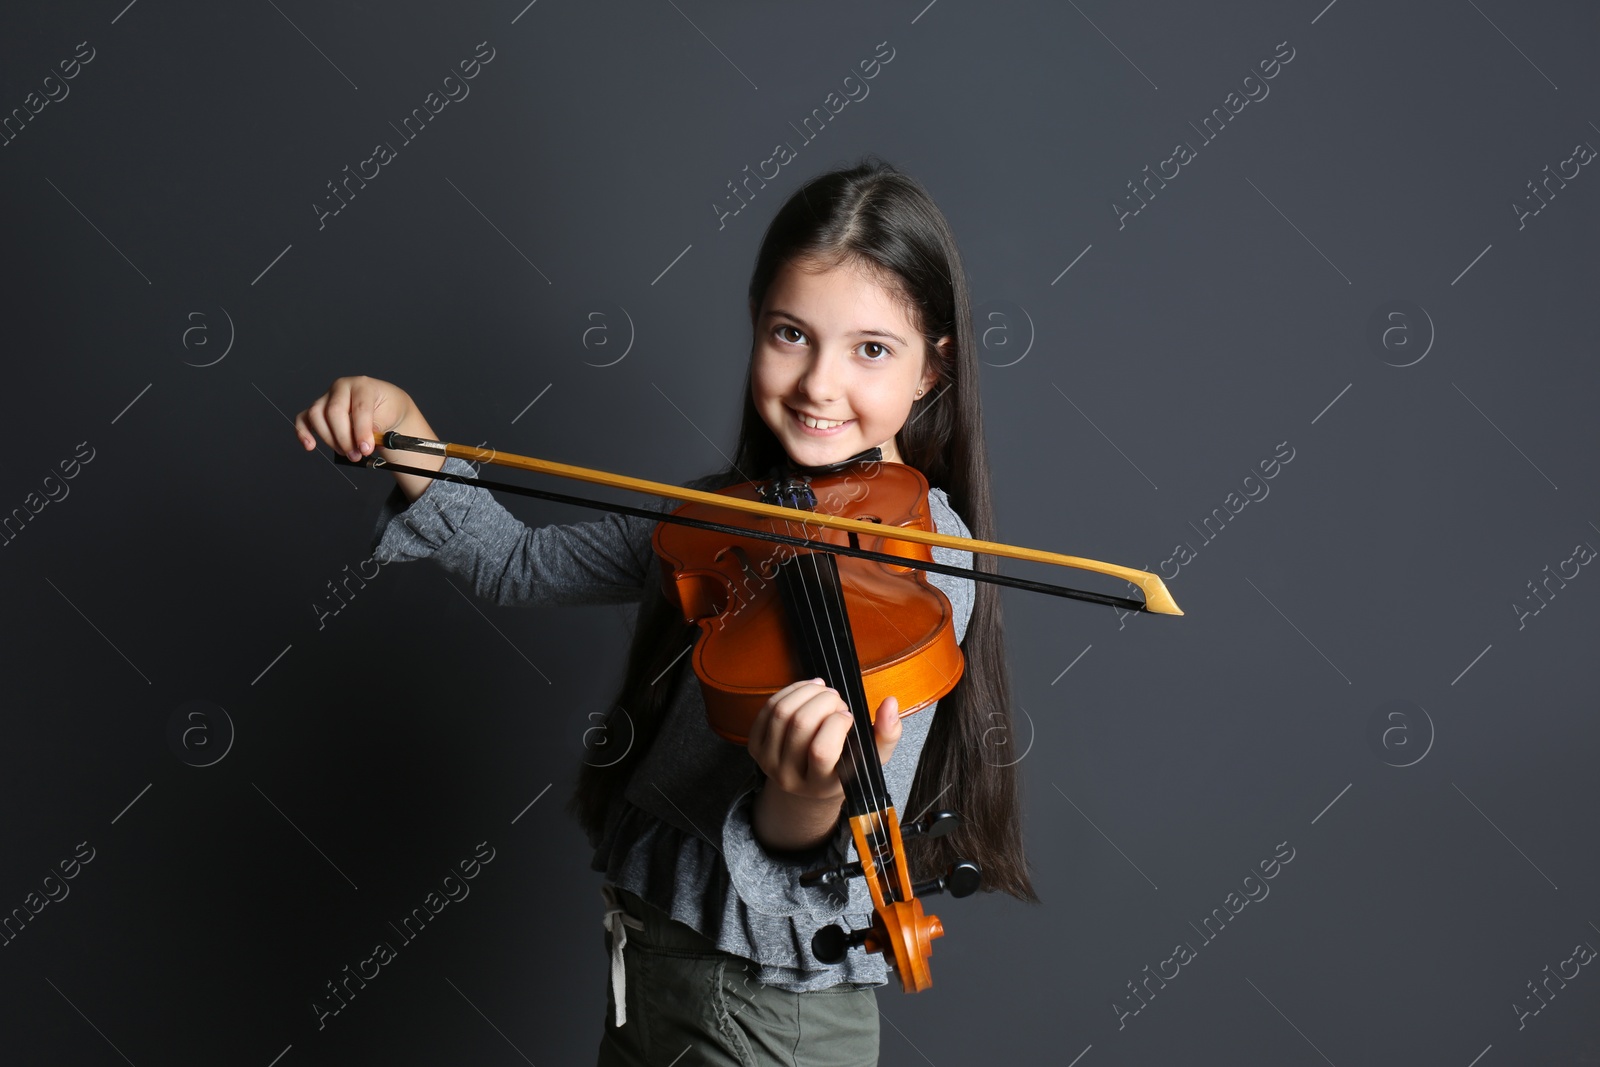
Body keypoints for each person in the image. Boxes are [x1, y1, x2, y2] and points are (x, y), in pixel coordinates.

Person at [293, 157, 1037, 1066]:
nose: (818, 384)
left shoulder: (927, 561)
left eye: (871, 348)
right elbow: (520, 561)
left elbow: (826, 850)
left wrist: (804, 796)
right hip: (647, 971)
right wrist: (411, 436)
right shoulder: (721, 519)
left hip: (766, 1011)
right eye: (791, 334)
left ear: (933, 369)